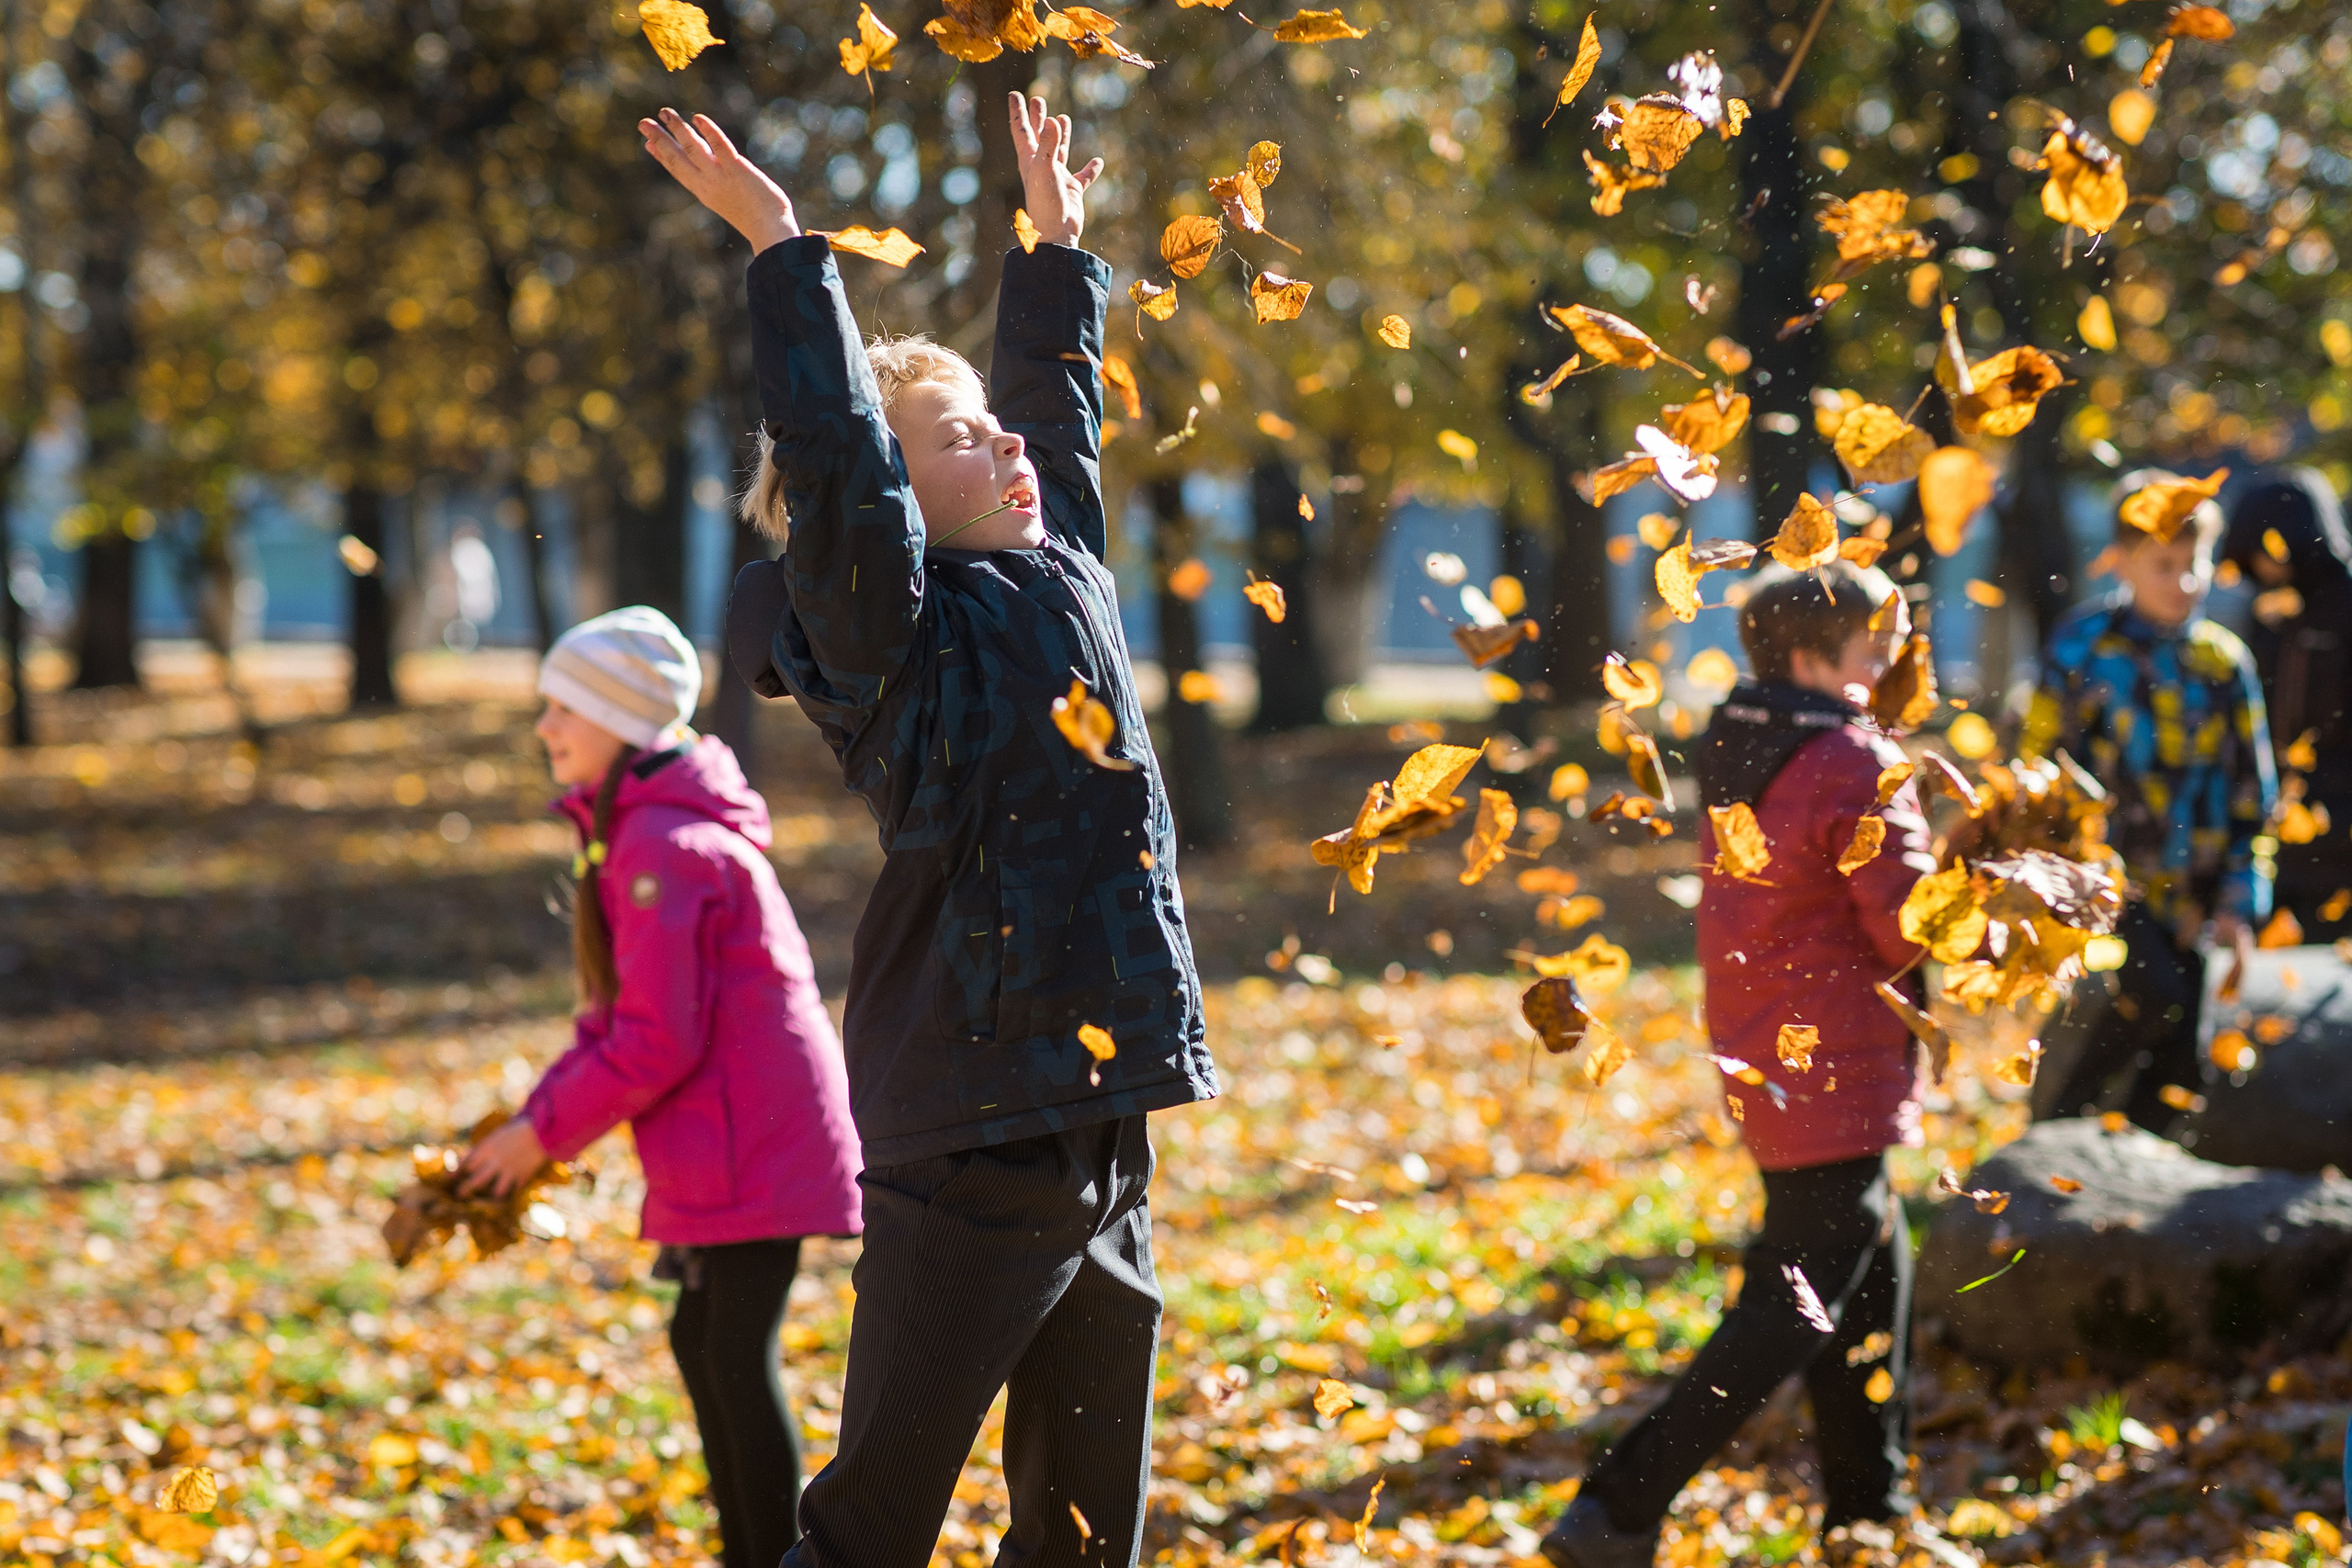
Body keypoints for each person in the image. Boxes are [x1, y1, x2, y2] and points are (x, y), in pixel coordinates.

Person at [641, 95, 1217, 1568]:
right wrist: (786, 252)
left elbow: (1059, 413)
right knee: (869, 1532)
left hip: (1098, 1117)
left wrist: (1053, 252)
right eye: (962, 435)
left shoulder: (1063, 568)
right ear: (897, 503)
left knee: (1090, 1536)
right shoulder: (890, 631)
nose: (1010, 444)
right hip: (970, 1126)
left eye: (997, 421)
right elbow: (836, 464)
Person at [1543, 560, 1935, 1568]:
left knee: (1866, 1273)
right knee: (1790, 1308)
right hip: (1834, 1066)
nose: (1890, 662)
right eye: (1871, 645)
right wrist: (1984, 866)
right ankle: (1619, 1504)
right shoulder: (1849, 758)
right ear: (1811, 655)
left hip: (1772, 1057)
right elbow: (1904, 926)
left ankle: (1867, 1507)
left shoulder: (1747, 744)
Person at [459, 605, 863, 1568]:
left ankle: (773, 1557)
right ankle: (755, 1550)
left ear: (624, 722)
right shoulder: (642, 832)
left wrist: (537, 1139)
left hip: (749, 1140)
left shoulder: (662, 850)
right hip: (725, 1136)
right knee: (705, 1341)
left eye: (565, 708)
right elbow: (617, 1024)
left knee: (731, 1349)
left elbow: (653, 1043)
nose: (546, 728)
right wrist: (531, 1122)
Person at [2021, 470, 2277, 1131]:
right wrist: (2058, 872)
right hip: (2104, 887)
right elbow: (2040, 767)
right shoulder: (2083, 647)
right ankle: (2051, 1137)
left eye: (2194, 564)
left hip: (2190, 897)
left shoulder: (2224, 664)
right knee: (2149, 993)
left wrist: (2234, 903)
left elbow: (2253, 794)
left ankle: (2132, 1183)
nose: (2183, 582)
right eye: (2164, 565)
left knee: (2183, 1062)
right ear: (2123, 560)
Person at [2220, 468, 2352, 940]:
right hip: (2275, 816)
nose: (2260, 564)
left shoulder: (2344, 607)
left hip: (2338, 819)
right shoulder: (2267, 612)